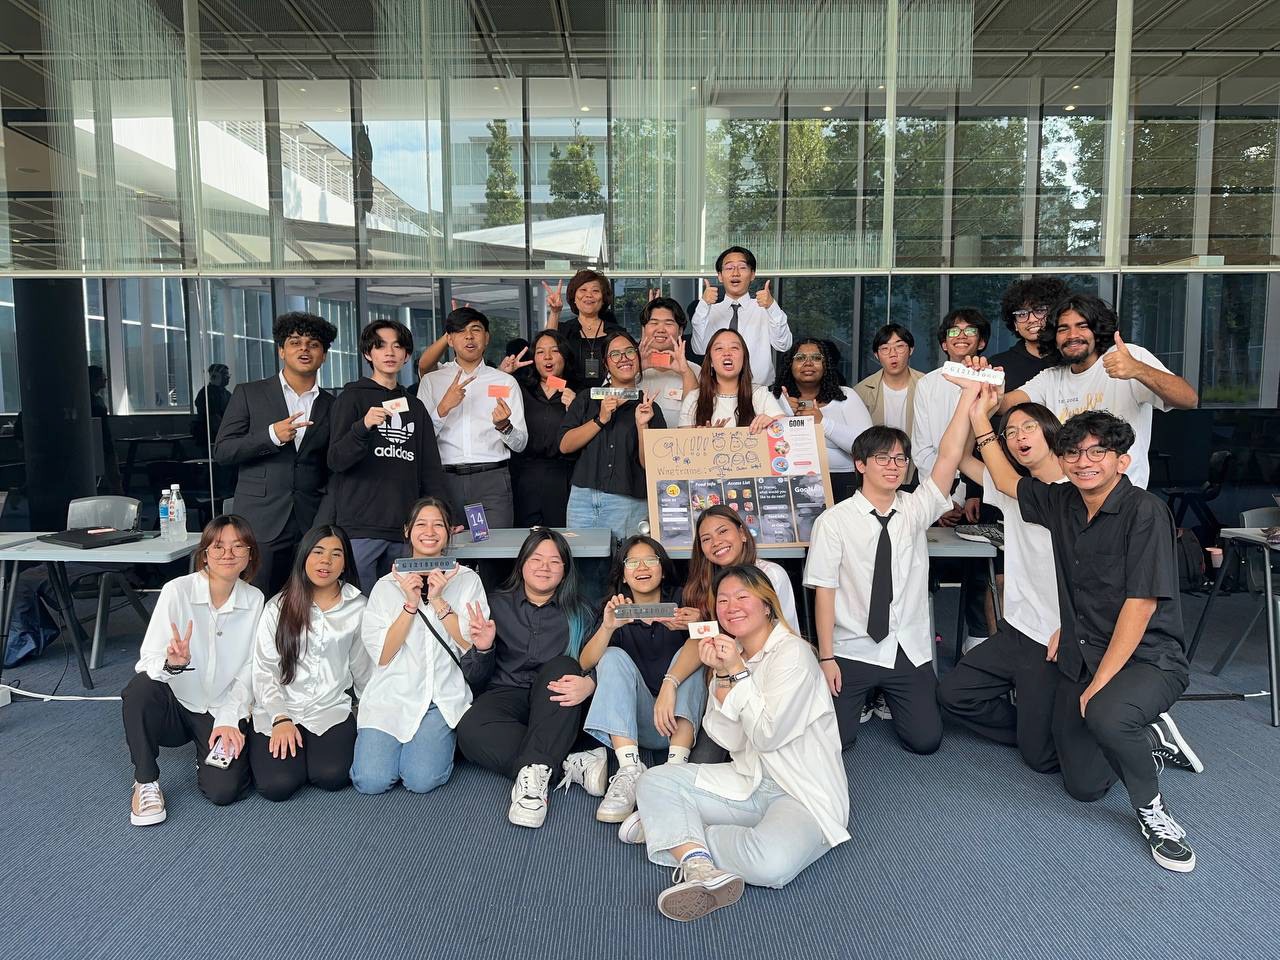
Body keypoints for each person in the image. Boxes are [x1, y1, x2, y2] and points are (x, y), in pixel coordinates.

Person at [1001, 407, 1202, 873]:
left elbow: (1141, 605)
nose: (1084, 461)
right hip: (1085, 648)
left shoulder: (1145, 511)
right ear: (1062, 459)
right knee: (1078, 783)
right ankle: (1146, 734)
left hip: (1149, 658)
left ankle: (1154, 812)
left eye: (1098, 452)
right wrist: (977, 418)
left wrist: (1098, 685)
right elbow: (1006, 480)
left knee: (1106, 714)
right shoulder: (1063, 501)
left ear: (1121, 461)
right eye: (1073, 452)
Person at [627, 565, 849, 922]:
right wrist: (721, 675)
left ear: (767, 605)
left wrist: (736, 671)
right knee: (653, 780)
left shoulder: (794, 655)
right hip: (748, 780)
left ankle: (677, 834)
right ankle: (699, 866)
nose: (731, 607)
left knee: (771, 865)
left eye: (742, 597)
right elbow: (726, 736)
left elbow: (767, 735)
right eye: (723, 601)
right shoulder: (735, 654)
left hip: (800, 792)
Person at [803, 373, 980, 754]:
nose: (893, 465)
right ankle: (866, 695)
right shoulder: (833, 521)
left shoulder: (916, 508)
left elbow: (949, 455)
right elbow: (825, 593)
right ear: (860, 464)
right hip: (852, 648)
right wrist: (827, 657)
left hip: (906, 648)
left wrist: (968, 398)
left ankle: (886, 695)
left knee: (926, 741)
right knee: (834, 743)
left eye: (900, 458)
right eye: (882, 458)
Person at [935, 396, 1067, 773]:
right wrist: (973, 406)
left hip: (1054, 639)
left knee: (1041, 759)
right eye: (1010, 432)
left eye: (1028, 427)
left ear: (1051, 432)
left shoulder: (1073, 491)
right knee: (952, 694)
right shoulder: (1012, 490)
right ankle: (1035, 727)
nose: (1018, 436)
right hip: (1016, 632)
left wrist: (982, 418)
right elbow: (960, 457)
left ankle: (1051, 731)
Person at [121, 516, 264, 825]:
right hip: (175, 704)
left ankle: (205, 754)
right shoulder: (177, 591)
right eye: (218, 546)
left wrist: (230, 718)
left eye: (238, 546)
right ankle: (145, 780)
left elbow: (250, 668)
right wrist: (173, 664)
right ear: (205, 554)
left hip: (218, 709)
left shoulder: (254, 600)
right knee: (139, 689)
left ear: (250, 555)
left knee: (224, 791)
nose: (228, 554)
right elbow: (147, 661)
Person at [561, 537, 706, 824]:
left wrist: (698, 625)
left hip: (683, 720)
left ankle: (675, 770)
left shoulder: (684, 601)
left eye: (650, 560)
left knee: (697, 649)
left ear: (662, 570)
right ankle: (629, 769)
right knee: (612, 655)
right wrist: (607, 627)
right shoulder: (616, 609)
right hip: (636, 726)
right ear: (624, 575)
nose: (642, 567)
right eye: (632, 562)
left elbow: (713, 643)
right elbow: (585, 662)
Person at [455, 529, 594, 828]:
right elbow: (475, 679)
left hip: (555, 701)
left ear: (565, 569)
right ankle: (563, 763)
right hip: (506, 692)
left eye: (554, 561)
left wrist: (590, 682)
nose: (545, 567)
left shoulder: (581, 612)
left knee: (563, 665)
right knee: (468, 730)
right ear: (521, 564)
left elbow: (600, 659)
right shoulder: (495, 605)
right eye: (536, 559)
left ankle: (533, 789)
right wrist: (484, 649)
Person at [351, 497, 486, 795]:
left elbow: (470, 644)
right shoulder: (386, 585)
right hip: (392, 694)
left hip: (441, 695)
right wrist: (410, 605)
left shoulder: (467, 580)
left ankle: (439, 742)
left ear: (449, 532)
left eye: (438, 525)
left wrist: (438, 600)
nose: (429, 531)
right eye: (421, 524)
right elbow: (382, 656)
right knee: (371, 781)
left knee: (420, 779)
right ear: (407, 530)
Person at [1001, 293, 1198, 489]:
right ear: (1055, 337)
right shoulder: (1051, 377)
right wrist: (986, 383)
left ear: (1097, 331)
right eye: (1063, 329)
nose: (1072, 335)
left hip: (1121, 499)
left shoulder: (1127, 357)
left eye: (1082, 326)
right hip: (1068, 500)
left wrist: (1138, 369)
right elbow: (1003, 404)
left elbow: (1189, 399)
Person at [214, 312, 338, 595]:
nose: (304, 349)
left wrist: (326, 519)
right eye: (295, 342)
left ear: (324, 355)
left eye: (313, 344)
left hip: (311, 520)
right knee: (257, 599)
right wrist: (271, 435)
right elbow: (223, 451)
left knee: (307, 601)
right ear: (282, 350)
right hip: (261, 519)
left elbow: (334, 467)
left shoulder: (333, 405)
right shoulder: (249, 393)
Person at [249, 524, 370, 801]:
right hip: (279, 708)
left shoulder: (359, 607)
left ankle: (311, 754)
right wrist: (280, 718)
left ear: (345, 563)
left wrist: (371, 719)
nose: (325, 561)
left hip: (329, 708)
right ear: (304, 556)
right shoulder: (277, 607)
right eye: (318, 552)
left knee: (332, 776)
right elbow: (265, 670)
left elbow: (363, 669)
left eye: (336, 554)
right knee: (278, 785)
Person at [327, 319, 446, 592]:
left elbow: (430, 467)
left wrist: (444, 513)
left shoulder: (415, 406)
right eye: (380, 346)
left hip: (405, 528)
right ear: (368, 354)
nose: (390, 353)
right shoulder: (351, 398)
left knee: (404, 602)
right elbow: (336, 460)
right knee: (361, 603)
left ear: (406, 355)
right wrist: (363, 426)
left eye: (397, 346)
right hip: (360, 526)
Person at [912, 308, 993, 650]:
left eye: (969, 331)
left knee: (980, 567)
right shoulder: (928, 384)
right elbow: (922, 449)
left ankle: (977, 638)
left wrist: (962, 497)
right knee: (920, 563)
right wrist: (943, 501)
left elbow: (989, 445)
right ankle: (924, 635)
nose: (961, 337)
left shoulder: (993, 381)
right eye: (953, 332)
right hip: (934, 495)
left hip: (980, 491)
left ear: (982, 341)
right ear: (944, 344)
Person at [417, 306, 528, 529]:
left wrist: (504, 426)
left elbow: (520, 444)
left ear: (487, 338)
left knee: (495, 548)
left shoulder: (505, 381)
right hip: (445, 480)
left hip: (491, 480)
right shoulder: (432, 381)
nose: (469, 336)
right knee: (449, 548)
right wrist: (443, 408)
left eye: (475, 330)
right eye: (460, 331)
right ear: (449, 339)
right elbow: (420, 440)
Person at [559, 331, 663, 541]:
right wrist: (600, 419)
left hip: (627, 501)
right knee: (579, 558)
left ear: (638, 358)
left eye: (629, 352)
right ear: (606, 364)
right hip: (582, 498)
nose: (623, 358)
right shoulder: (587, 399)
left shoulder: (649, 406)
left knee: (623, 557)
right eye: (615, 354)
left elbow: (652, 465)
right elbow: (565, 445)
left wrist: (642, 425)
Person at [771, 338, 872, 503]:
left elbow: (868, 445)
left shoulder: (846, 396)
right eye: (800, 358)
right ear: (790, 365)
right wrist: (783, 412)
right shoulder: (773, 400)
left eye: (816, 358)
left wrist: (823, 423)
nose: (808, 363)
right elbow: (768, 448)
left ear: (826, 365)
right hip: (787, 482)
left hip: (842, 482)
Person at [690, 246, 792, 387]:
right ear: (720, 276)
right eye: (729, 268)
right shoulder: (709, 311)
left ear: (752, 274)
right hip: (718, 392)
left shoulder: (765, 309)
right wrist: (703, 304)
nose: (735, 273)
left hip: (758, 391)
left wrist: (772, 306)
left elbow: (784, 345)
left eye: (742, 267)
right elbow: (699, 348)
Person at [511, 328, 578, 528]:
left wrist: (575, 409)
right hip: (525, 475)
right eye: (540, 352)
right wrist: (502, 373)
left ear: (565, 356)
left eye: (554, 351)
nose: (547, 357)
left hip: (564, 476)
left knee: (561, 536)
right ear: (534, 358)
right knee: (526, 537)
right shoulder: (521, 388)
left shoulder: (578, 392)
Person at [679, 329, 787, 429]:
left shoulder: (760, 395)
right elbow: (682, 440)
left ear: (744, 359)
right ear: (711, 361)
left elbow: (785, 432)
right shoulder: (694, 398)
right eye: (719, 348)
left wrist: (772, 424)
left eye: (734, 348)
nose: (727, 353)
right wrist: (705, 438)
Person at [544, 270, 624, 389]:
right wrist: (555, 312)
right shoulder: (563, 330)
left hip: (608, 396)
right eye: (583, 290)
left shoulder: (617, 332)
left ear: (603, 298)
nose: (589, 295)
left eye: (595, 291)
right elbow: (546, 355)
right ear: (574, 297)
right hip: (568, 396)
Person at [987, 276, 1067, 391]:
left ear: (1055, 314)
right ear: (1015, 324)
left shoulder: (1070, 356)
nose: (1031, 319)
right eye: (1022, 314)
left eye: (1039, 311)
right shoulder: (997, 365)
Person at [636, 296, 700, 427]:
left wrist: (685, 372)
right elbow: (608, 402)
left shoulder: (695, 370)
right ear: (644, 329)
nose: (660, 329)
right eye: (654, 323)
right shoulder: (624, 367)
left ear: (680, 331)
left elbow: (696, 414)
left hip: (680, 439)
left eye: (668, 323)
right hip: (636, 440)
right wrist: (635, 369)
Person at [87, 364, 123, 494]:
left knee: (111, 475)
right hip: (103, 441)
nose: (105, 379)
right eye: (102, 376)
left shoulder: (92, 400)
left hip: (101, 440)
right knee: (113, 476)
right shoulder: (94, 401)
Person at [194, 363, 232, 446]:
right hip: (208, 435)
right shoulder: (206, 393)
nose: (228, 377)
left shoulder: (227, 394)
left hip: (222, 433)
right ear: (216, 376)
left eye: (228, 375)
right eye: (225, 375)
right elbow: (213, 418)